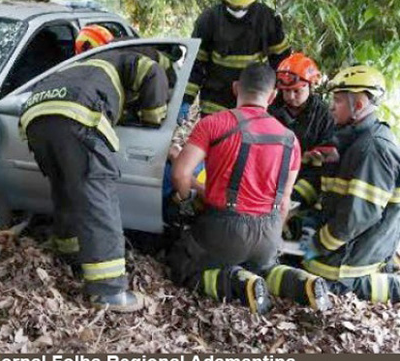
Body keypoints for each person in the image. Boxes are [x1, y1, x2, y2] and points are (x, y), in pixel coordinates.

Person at [19, 25, 170, 312]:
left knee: (65, 185)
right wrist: (152, 118)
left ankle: (69, 251)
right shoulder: (122, 57)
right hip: (77, 116)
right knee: (97, 197)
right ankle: (109, 290)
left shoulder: (74, 66)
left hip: (34, 118)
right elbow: (153, 72)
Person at [168, 62, 331, 314]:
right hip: (269, 232)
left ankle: (237, 284)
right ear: (273, 95)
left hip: (224, 230)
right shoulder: (291, 140)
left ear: (235, 89)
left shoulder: (215, 123)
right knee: (265, 267)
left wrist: (187, 198)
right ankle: (301, 283)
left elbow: (181, 173)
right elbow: (285, 201)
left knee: (184, 264)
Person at [300, 65, 400, 303]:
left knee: (322, 281)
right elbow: (323, 184)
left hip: (356, 251)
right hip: (345, 236)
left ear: (358, 105)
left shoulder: (372, 149)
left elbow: (357, 218)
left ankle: (387, 284)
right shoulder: (348, 137)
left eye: (338, 100)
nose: (331, 106)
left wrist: (318, 244)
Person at [184, 0, 290, 117]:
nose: (239, 11)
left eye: (242, 8)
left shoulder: (267, 19)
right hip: (215, 104)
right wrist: (186, 99)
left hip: (254, 103)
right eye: (235, 7)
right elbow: (195, 64)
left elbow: (282, 62)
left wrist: (276, 96)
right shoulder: (209, 20)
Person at [270, 53, 336, 207]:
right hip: (271, 176)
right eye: (285, 91)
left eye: (296, 91)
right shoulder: (271, 107)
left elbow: (326, 159)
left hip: (307, 177)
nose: (290, 96)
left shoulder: (323, 116)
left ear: (310, 86)